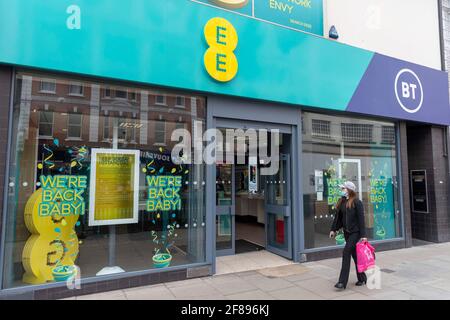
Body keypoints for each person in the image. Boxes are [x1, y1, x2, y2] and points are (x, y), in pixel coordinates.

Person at [329, 181, 368, 290]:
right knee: (355, 256)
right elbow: (338, 218)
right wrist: (333, 229)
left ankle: (342, 282)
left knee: (346, 252)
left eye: (344, 188)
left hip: (355, 233)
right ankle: (362, 278)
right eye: (342, 189)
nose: (342, 190)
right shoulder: (341, 202)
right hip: (347, 233)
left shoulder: (357, 202)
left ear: (349, 190)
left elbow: (361, 220)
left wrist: (363, 235)